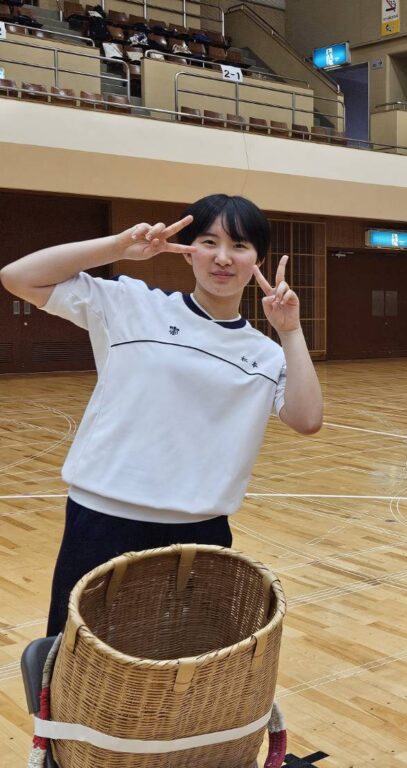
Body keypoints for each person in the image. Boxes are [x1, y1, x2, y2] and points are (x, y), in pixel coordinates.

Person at [0, 194, 324, 637]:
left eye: (239, 246)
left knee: (181, 666)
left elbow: (307, 418)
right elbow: (18, 277)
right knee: (79, 659)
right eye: (208, 242)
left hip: (201, 532)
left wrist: (291, 331)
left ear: (258, 261)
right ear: (187, 251)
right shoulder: (133, 305)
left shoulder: (265, 353)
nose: (223, 257)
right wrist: (117, 247)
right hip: (103, 519)